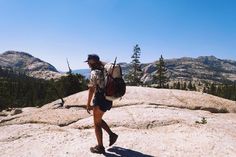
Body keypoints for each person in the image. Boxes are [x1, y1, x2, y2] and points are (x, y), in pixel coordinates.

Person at [85, 54, 118, 154]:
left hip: (100, 100)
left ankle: (100, 147)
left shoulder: (94, 72)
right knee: (98, 120)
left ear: (91, 62)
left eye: (88, 62)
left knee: (96, 124)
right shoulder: (104, 70)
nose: (88, 64)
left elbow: (91, 89)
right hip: (108, 99)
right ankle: (112, 135)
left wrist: (88, 104)